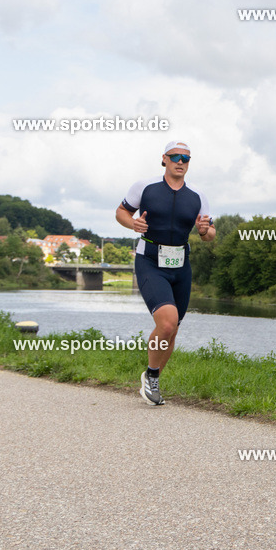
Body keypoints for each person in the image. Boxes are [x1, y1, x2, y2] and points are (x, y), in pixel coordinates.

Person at [115, 141, 215, 405]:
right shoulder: (145, 187)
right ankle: (150, 374)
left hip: (181, 265)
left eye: (186, 158)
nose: (181, 162)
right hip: (149, 260)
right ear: (164, 159)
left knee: (173, 330)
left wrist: (205, 231)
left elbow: (210, 233)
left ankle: (154, 379)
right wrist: (133, 223)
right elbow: (121, 212)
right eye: (175, 157)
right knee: (167, 322)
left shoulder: (197, 195)